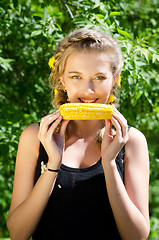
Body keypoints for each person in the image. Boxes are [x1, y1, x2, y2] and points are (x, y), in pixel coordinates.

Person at [7, 28, 150, 240]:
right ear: (62, 80)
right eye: (76, 77)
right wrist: (53, 163)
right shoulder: (34, 137)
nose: (88, 90)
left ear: (114, 80)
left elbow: (136, 236)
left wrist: (110, 163)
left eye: (99, 77)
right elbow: (18, 233)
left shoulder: (131, 141)